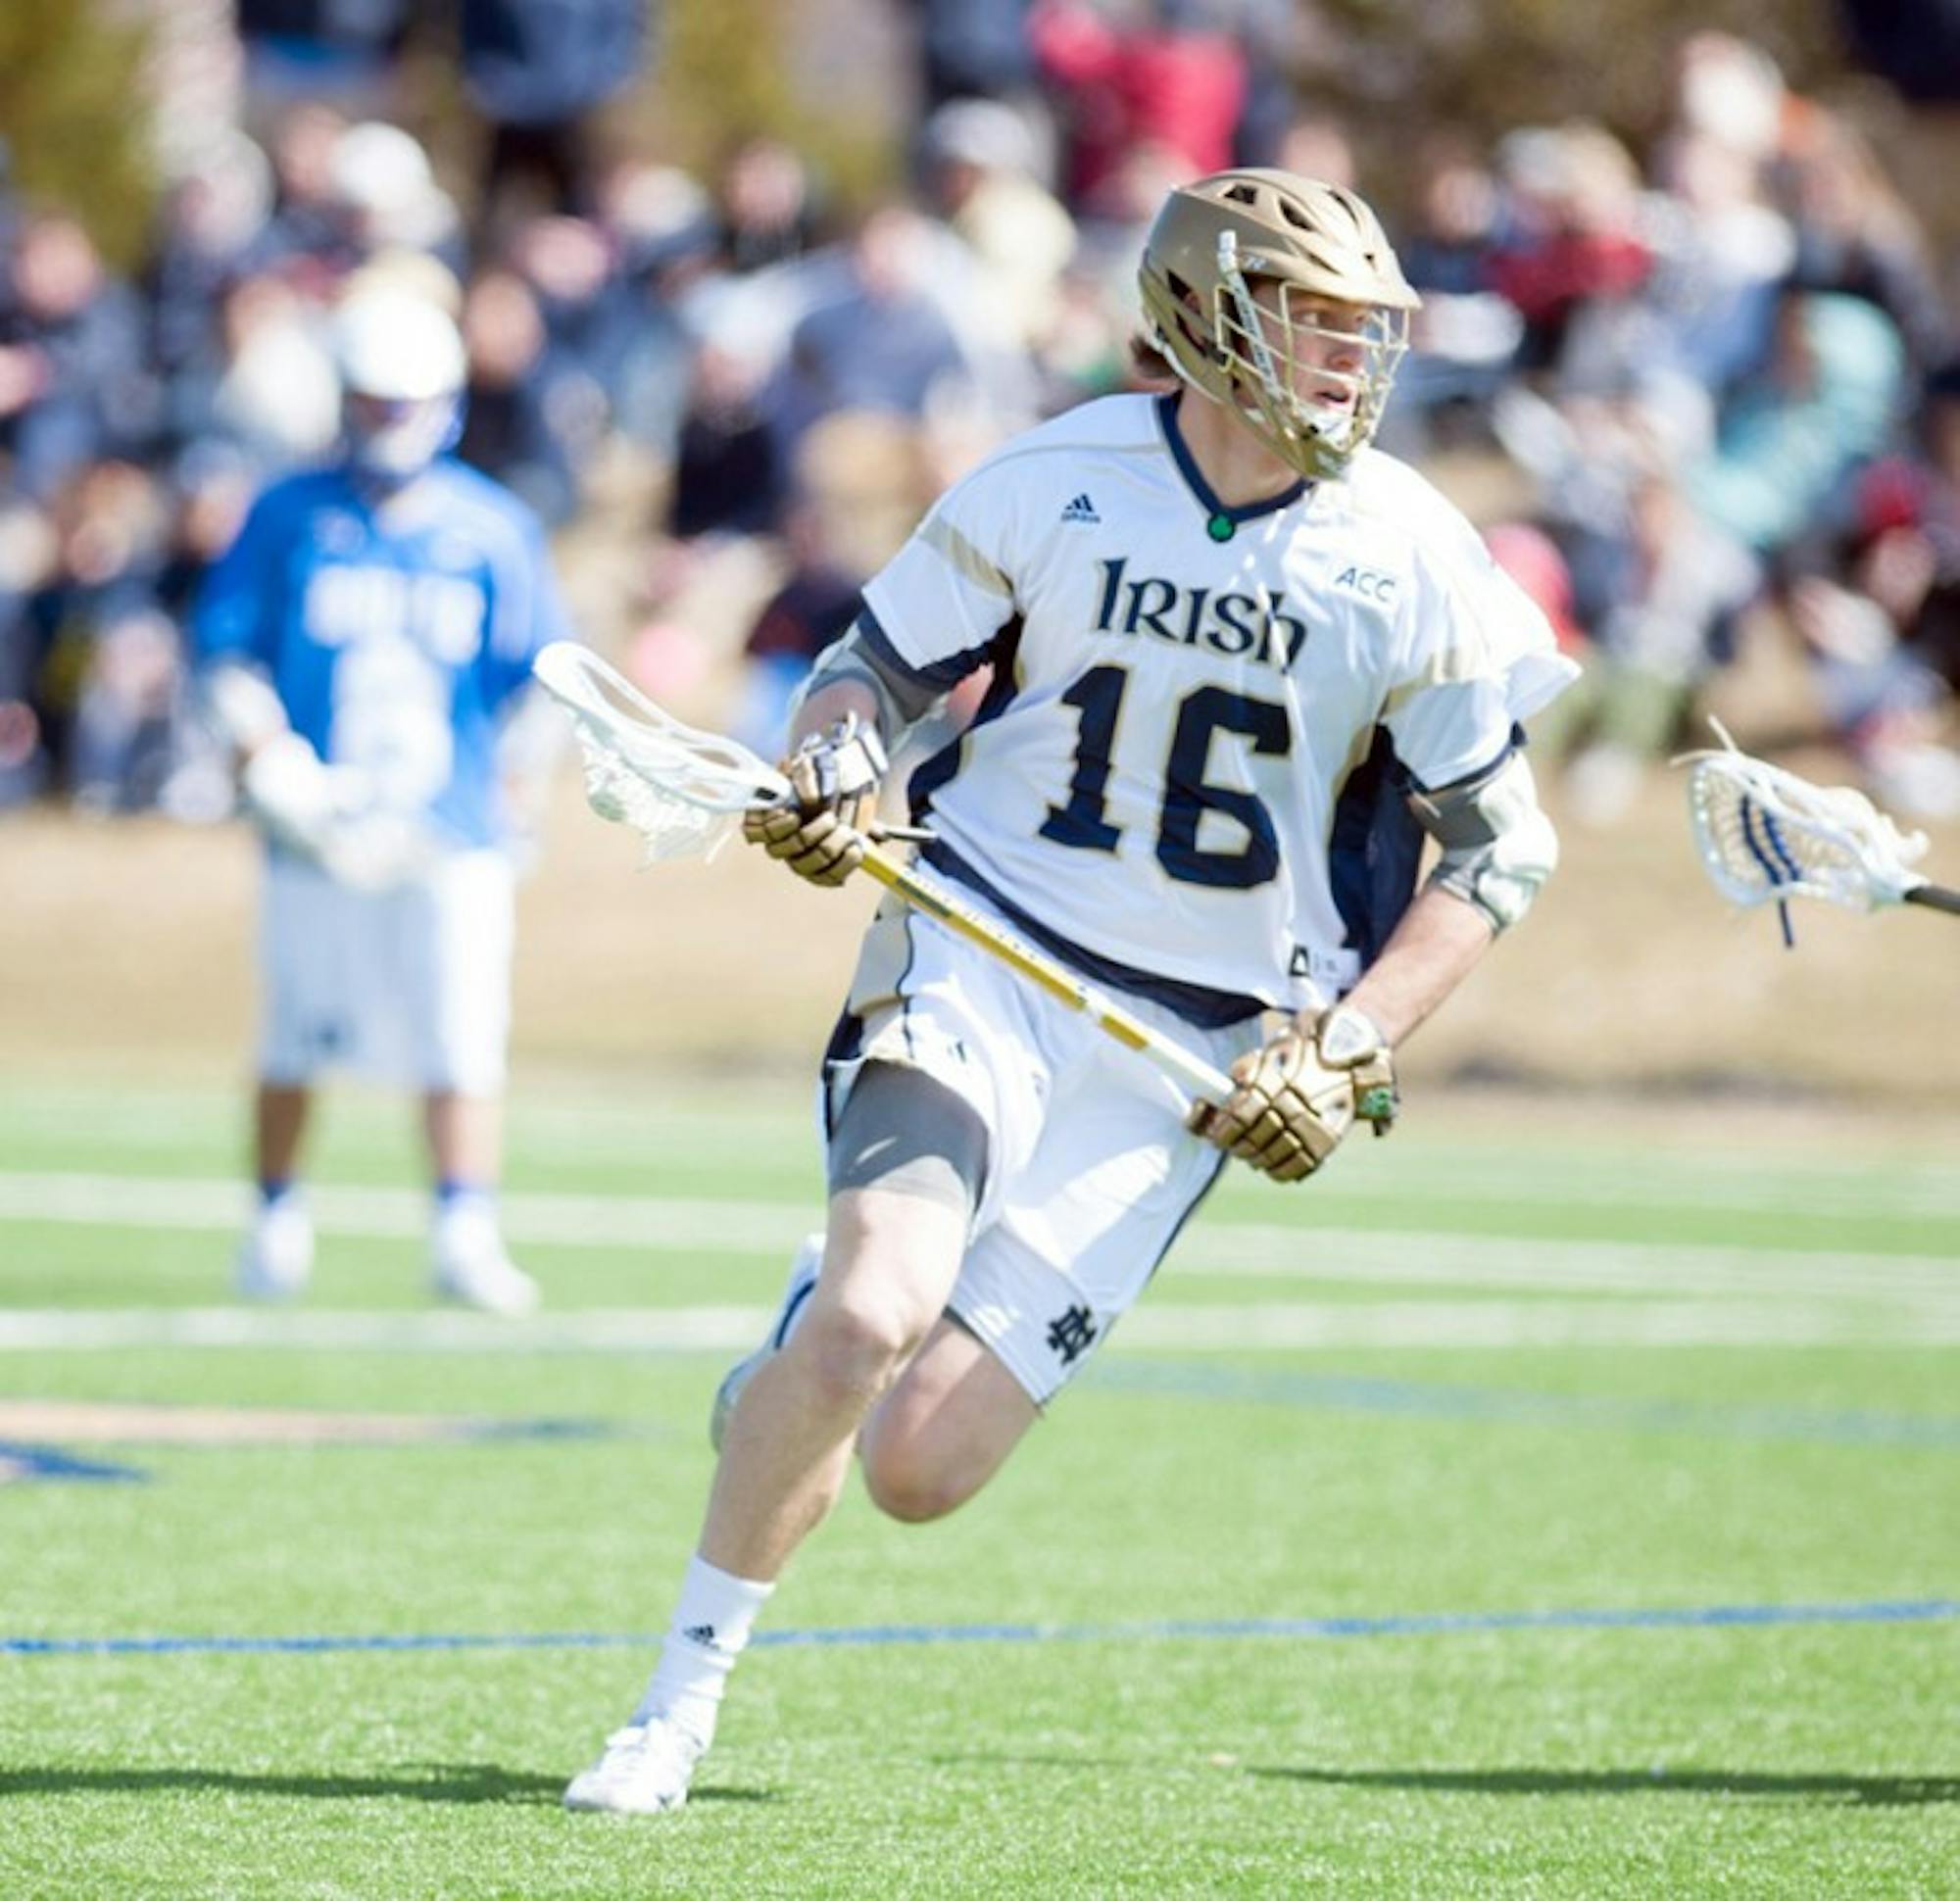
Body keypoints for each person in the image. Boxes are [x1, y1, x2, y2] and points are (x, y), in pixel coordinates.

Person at [563, 169, 1577, 1813]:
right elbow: (869, 677)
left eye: (1359, 334)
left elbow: (1496, 858)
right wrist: (834, 771)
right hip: (979, 936)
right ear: (1205, 311)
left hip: (1184, 1050)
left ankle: (790, 1384)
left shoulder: (1413, 554)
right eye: (1311, 324)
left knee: (917, 1469)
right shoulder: (1062, 474)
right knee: (868, 1322)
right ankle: (670, 1709)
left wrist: (1357, 1042)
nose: (1344, 365)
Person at [192, 285, 572, 1316]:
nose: (386, 424)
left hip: (449, 823)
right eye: (370, 402)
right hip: (318, 824)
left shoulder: (491, 526)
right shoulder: (288, 513)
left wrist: (521, 781)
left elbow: (542, 674)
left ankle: (463, 1222)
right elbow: (227, 649)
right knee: (292, 1032)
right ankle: (274, 1214)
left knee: (460, 1032)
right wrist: (267, 750)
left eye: (402, 404)